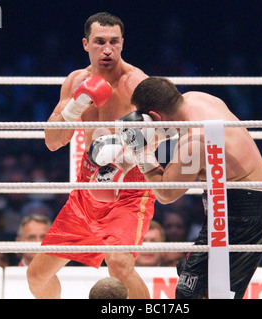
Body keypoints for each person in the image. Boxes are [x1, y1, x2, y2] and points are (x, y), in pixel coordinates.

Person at [27, 12, 155, 299]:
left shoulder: (137, 84)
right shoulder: (75, 81)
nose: (107, 49)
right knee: (37, 275)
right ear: (86, 44)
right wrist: (74, 107)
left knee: (119, 264)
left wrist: (123, 159)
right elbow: (53, 142)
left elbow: (164, 135)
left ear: (123, 43)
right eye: (100, 42)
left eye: (114, 42)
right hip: (87, 192)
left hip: (129, 190)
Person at [118, 77, 262, 299]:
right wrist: (153, 137)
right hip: (239, 204)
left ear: (154, 116)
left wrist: (141, 152)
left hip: (243, 214)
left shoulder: (194, 142)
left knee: (194, 292)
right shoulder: (198, 99)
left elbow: (165, 194)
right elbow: (174, 130)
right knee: (204, 292)